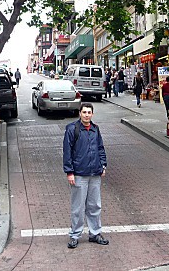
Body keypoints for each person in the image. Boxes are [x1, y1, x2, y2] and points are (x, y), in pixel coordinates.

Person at [63, 102, 108, 249]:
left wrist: (103, 165)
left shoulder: (95, 129)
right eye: (84, 112)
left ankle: (95, 233)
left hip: (95, 173)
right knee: (78, 206)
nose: (87, 115)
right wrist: (69, 172)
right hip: (79, 174)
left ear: (92, 114)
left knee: (95, 205)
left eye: (89, 112)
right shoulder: (72, 129)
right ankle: (75, 235)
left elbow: (100, 148)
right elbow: (67, 152)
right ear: (80, 113)